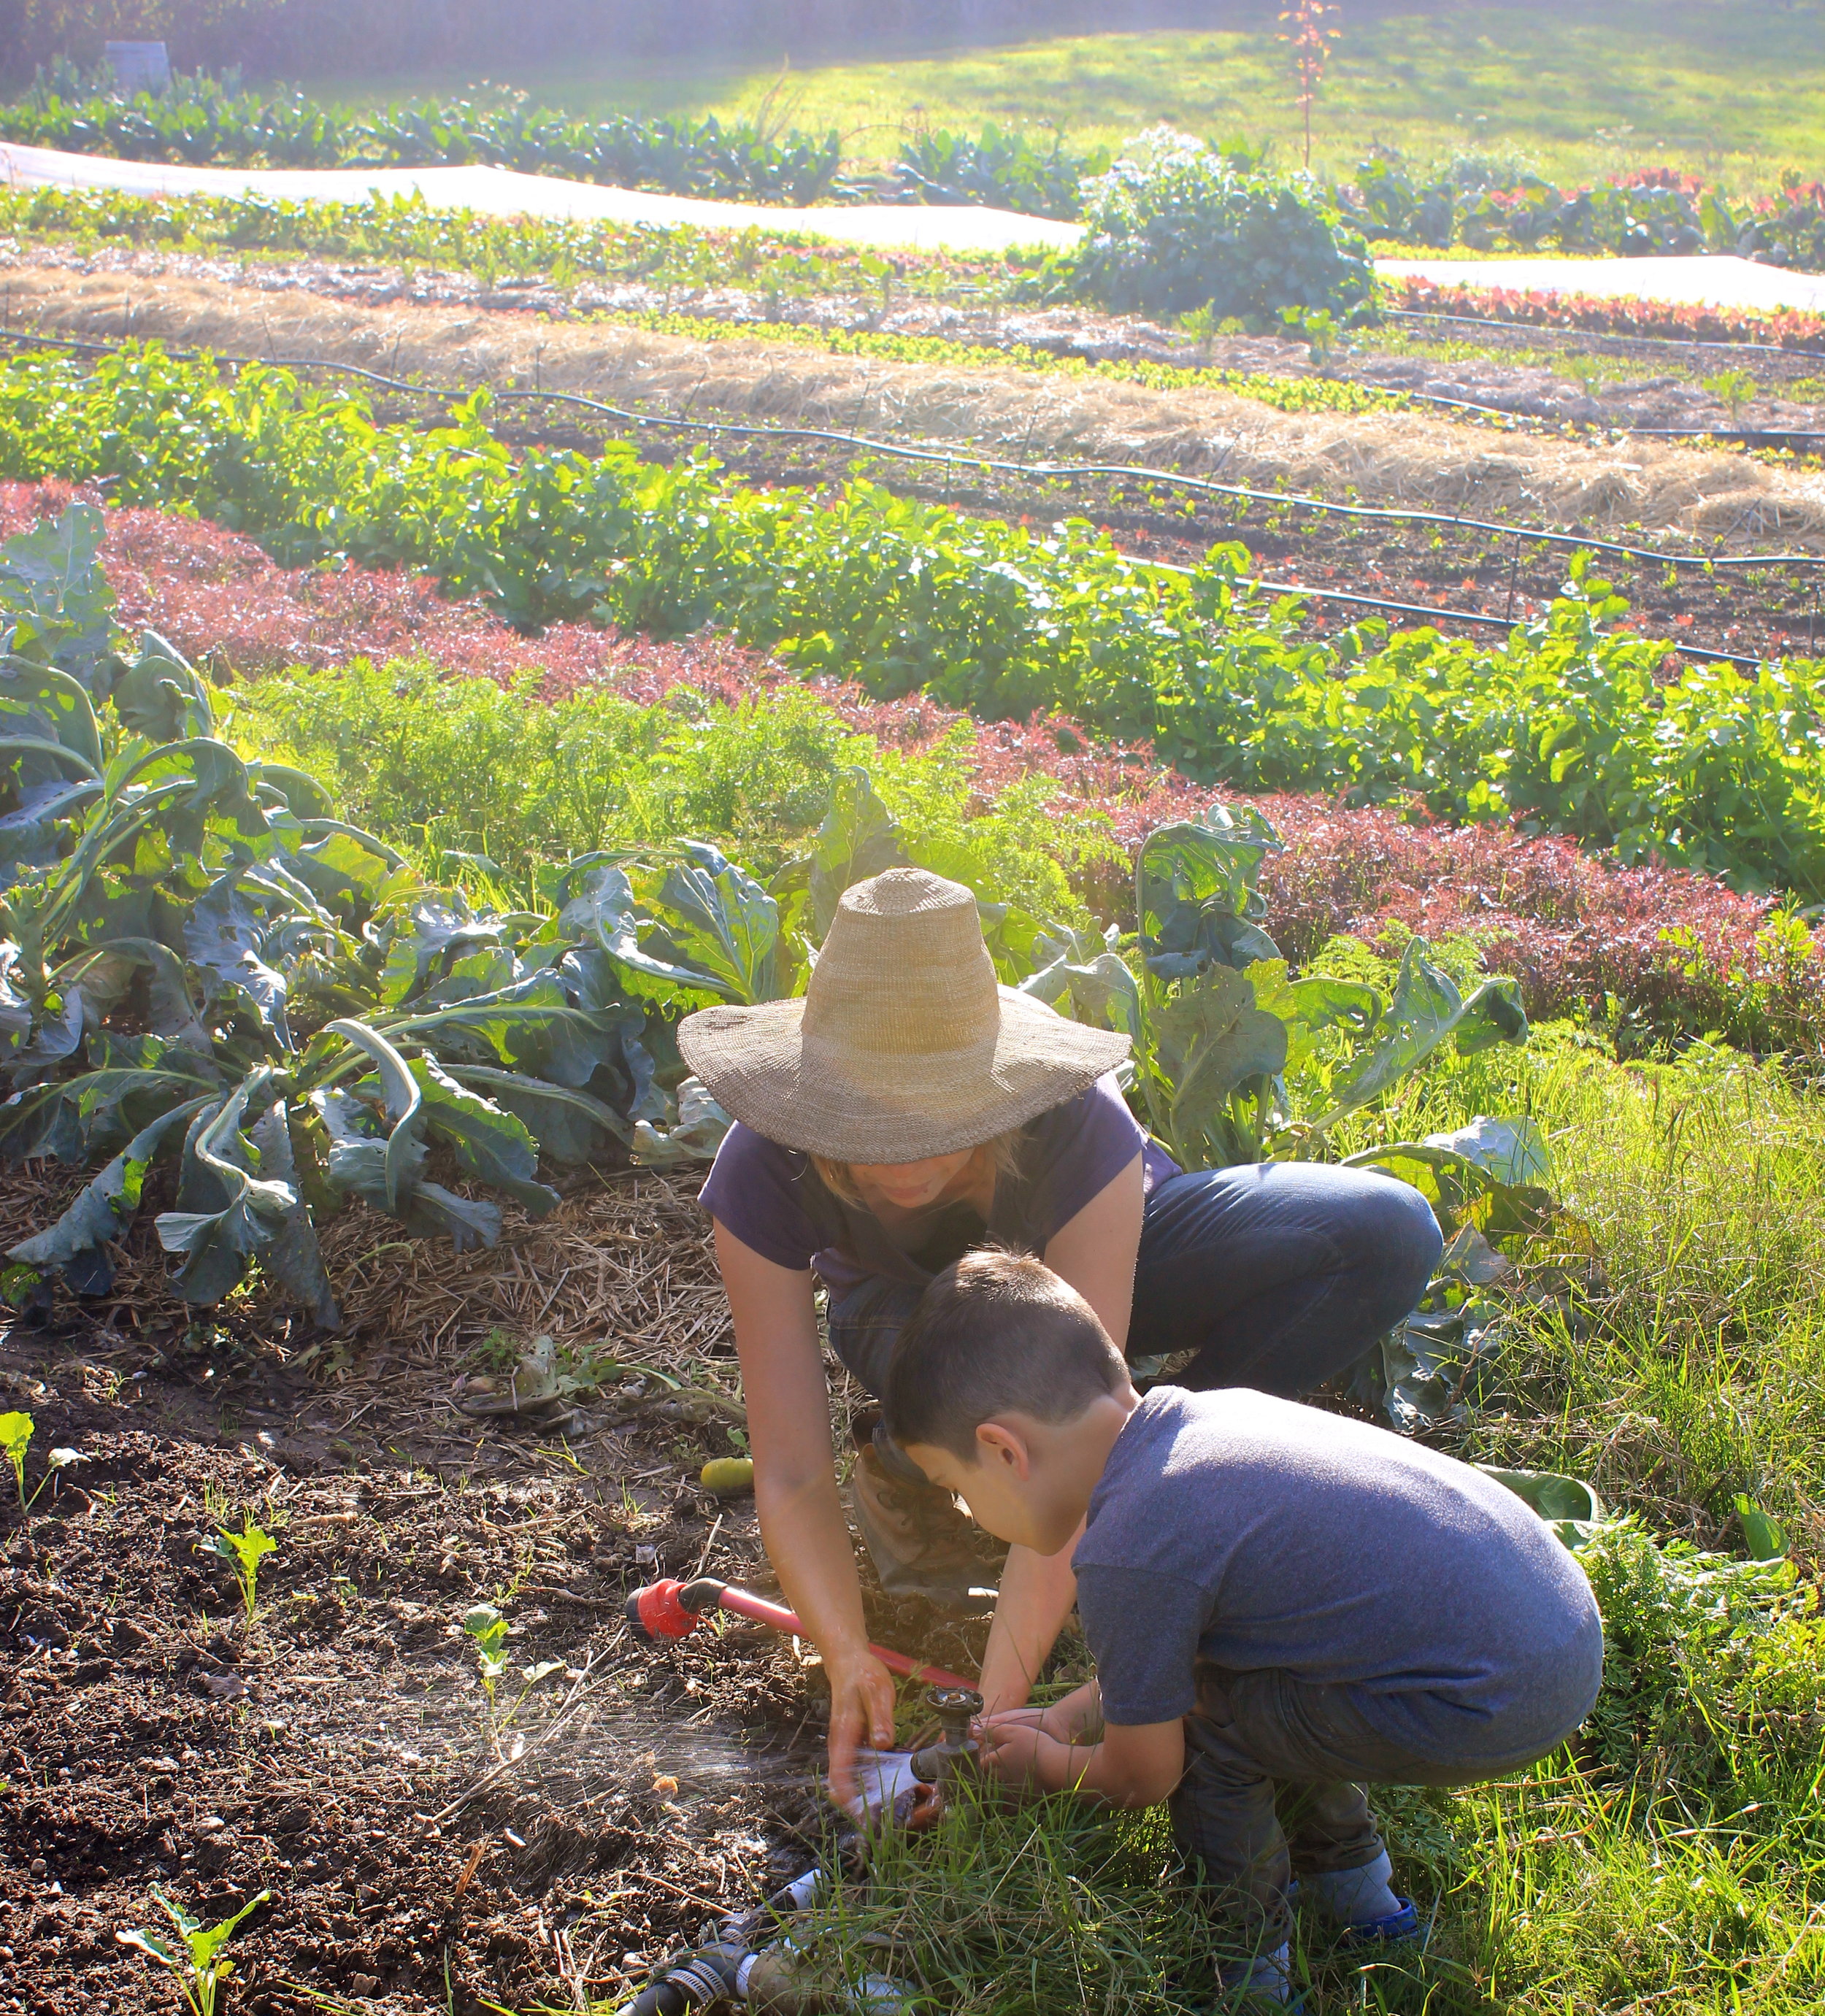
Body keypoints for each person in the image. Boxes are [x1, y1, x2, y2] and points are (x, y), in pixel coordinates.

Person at [680, 866, 1443, 1804]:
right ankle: (931, 1459)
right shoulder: (764, 1162)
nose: (909, 1159)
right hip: (916, 1323)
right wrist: (846, 1655)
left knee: (1383, 1228)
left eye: (945, 1114)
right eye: (870, 1123)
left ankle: (1186, 1489)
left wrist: (994, 1699)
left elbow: (1077, 1390)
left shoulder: (1076, 1121)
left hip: (1091, 1296)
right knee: (951, 1352)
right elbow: (790, 1469)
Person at [883, 1250, 1605, 2007]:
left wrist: (1044, 1766)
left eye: (957, 1490)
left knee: (1210, 1727)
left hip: (1487, 1698)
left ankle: (1246, 1969)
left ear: (1004, 1449)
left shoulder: (1131, 1548)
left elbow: (1143, 1773)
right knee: (1246, 1686)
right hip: (1551, 1627)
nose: (966, 1510)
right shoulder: (1198, 1425)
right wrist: (1066, 1718)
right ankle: (1358, 1901)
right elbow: (1176, 1653)